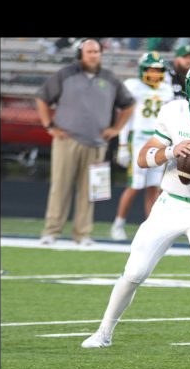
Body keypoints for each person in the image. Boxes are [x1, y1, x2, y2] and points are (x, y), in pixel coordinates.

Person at [82, 58, 190, 348]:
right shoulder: (174, 113)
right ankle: (104, 332)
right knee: (135, 271)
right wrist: (172, 151)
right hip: (169, 204)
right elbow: (143, 159)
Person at [36, 38, 135, 246]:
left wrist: (116, 129)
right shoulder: (65, 74)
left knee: (90, 191)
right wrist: (49, 125)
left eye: (96, 51)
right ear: (80, 54)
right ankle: (51, 232)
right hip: (67, 140)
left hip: (98, 144)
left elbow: (129, 104)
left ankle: (83, 234)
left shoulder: (110, 78)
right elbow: (42, 98)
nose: (93, 55)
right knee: (60, 188)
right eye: (89, 52)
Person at [110, 52, 175, 240]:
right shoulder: (133, 86)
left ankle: (152, 228)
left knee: (154, 186)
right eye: (151, 69)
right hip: (138, 138)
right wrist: (123, 144)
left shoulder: (166, 89)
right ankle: (118, 224)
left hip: (159, 140)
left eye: (158, 70)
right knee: (135, 184)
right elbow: (126, 118)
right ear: (142, 70)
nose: (154, 74)